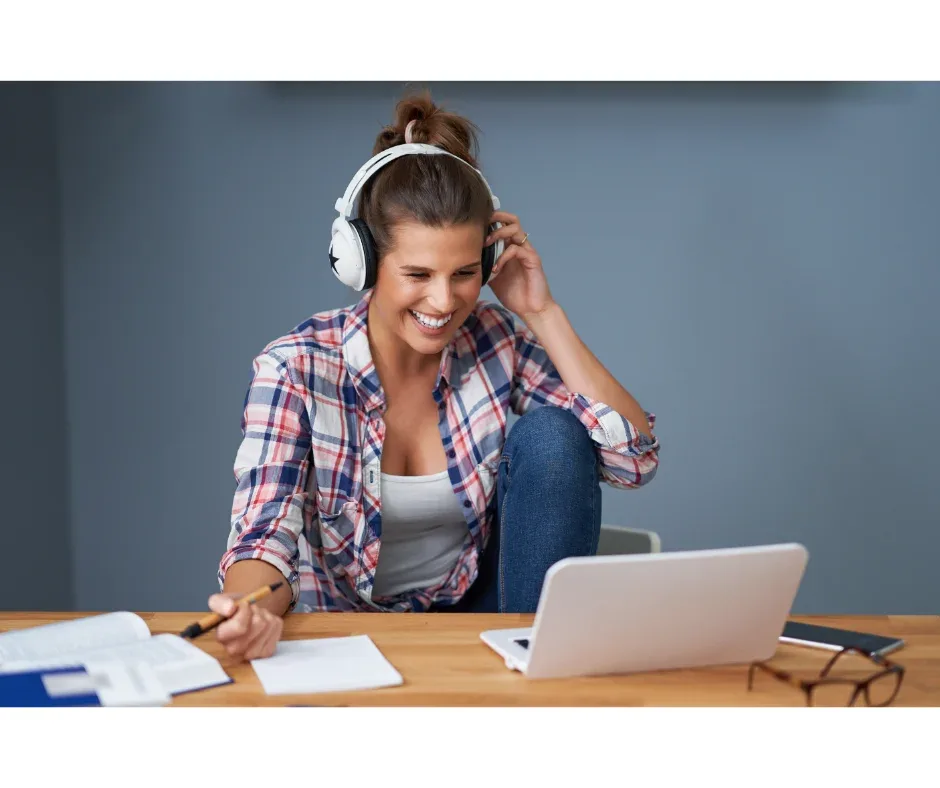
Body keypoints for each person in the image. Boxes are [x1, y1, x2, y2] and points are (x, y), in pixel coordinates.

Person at [209, 90, 661, 661]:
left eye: (465, 273)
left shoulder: (495, 340)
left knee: (554, 435)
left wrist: (542, 313)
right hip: (347, 633)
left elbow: (633, 460)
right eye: (418, 274)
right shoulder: (295, 368)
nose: (445, 302)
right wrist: (248, 609)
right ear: (361, 263)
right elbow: (265, 532)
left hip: (482, 612)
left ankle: (539, 663)